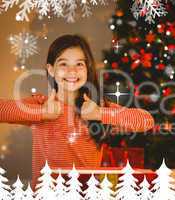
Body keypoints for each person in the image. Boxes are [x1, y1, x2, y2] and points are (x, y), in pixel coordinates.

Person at [0, 34, 155, 189]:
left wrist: (100, 114)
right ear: (51, 69)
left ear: (87, 68)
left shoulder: (96, 108)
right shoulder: (40, 104)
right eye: (63, 64)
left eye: (79, 64)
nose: (72, 71)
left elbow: (146, 121)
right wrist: (42, 113)